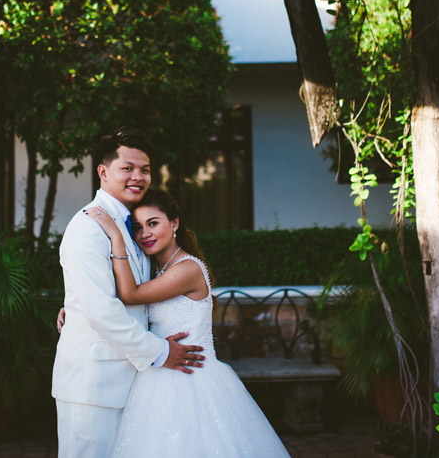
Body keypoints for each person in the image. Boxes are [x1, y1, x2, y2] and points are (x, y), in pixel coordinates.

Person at [85, 190, 290, 458]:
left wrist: (116, 237)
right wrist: (77, 307)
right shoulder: (153, 268)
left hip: (192, 378)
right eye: (137, 227)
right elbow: (119, 298)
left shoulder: (186, 269)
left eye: (153, 223)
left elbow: (130, 294)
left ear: (174, 223)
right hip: (157, 374)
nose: (145, 233)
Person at [52, 127, 205, 458]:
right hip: (94, 386)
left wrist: (72, 305)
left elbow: (133, 294)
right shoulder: (87, 228)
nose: (138, 177)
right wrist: (162, 352)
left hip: (134, 385)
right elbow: (101, 312)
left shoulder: (133, 227)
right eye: (128, 168)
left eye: (145, 170)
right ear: (103, 172)